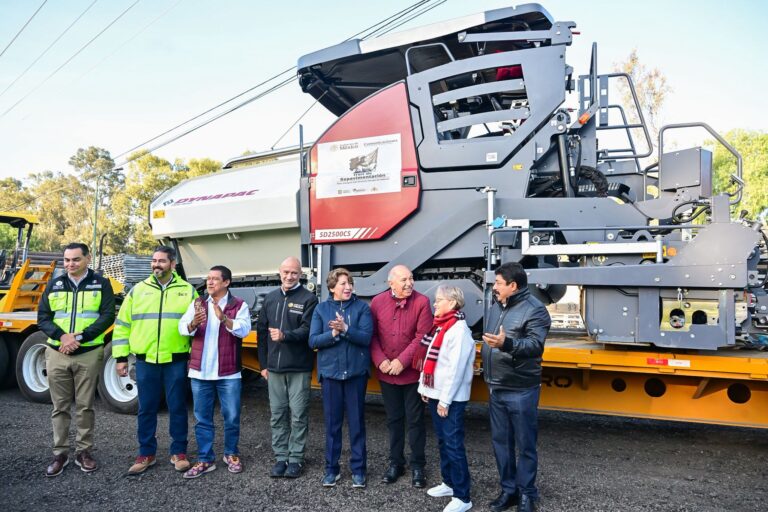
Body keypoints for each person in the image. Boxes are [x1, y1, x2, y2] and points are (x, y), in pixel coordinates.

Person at [113, 246, 197, 475]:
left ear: (172, 264)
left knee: (177, 407)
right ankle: (146, 453)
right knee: (146, 408)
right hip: (146, 360)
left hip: (176, 360)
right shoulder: (138, 291)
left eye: (161, 261)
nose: (156, 265)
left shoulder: (187, 291)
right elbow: (122, 326)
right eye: (154, 261)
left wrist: (194, 357)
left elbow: (198, 326)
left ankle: (179, 452)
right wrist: (120, 357)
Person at [37, 242, 115, 477]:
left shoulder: (101, 284)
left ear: (87, 259)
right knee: (59, 407)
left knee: (85, 406)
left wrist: (78, 338)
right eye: (67, 260)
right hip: (57, 352)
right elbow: (43, 317)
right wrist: (62, 337)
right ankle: (60, 453)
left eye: (76, 259)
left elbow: (107, 316)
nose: (70, 264)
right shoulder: (54, 284)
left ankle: (84, 452)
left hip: (88, 352)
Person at [481, 262, 551, 512]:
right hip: (496, 386)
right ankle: (508, 491)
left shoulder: (536, 310)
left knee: (525, 445)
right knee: (501, 443)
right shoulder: (496, 306)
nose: (494, 287)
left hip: (521, 389)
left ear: (513, 285)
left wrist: (506, 344)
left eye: (499, 283)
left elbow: (535, 346)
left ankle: (526, 494)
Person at [178, 265, 250, 478]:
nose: (209, 282)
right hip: (200, 372)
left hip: (228, 373)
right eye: (208, 278)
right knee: (202, 419)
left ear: (226, 282)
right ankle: (205, 459)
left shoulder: (238, 305)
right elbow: (182, 327)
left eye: (215, 279)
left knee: (232, 416)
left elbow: (244, 330)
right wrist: (194, 323)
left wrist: (224, 318)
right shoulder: (198, 303)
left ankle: (231, 454)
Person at [309, 268, 373, 489]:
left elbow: (366, 338)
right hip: (331, 375)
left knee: (357, 424)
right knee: (332, 425)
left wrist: (345, 328)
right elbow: (313, 341)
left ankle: (359, 470)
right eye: (343, 283)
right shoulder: (321, 309)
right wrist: (333, 334)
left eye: (350, 283)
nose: (348, 287)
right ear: (331, 287)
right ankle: (331, 470)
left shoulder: (362, 308)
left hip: (355, 374)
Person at [370, 264, 432, 487]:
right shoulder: (377, 302)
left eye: (411, 278)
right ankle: (396, 463)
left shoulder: (422, 302)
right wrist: (381, 360)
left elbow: (422, 336)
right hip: (387, 373)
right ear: (391, 283)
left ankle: (418, 466)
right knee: (393, 420)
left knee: (415, 421)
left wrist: (401, 361)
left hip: (411, 374)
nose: (409, 283)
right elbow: (372, 335)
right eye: (404, 280)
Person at [257, 257, 318, 479]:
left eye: (294, 273)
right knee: (277, 414)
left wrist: (286, 336)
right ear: (279, 272)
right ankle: (281, 457)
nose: (289, 276)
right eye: (286, 272)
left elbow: (308, 330)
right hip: (274, 369)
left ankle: (296, 459)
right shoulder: (271, 298)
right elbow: (262, 332)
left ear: (300, 274)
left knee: (299, 415)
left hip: (298, 368)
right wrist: (263, 365)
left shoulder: (309, 299)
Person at [417, 285, 475, 512]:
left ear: (452, 303)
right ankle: (449, 483)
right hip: (437, 394)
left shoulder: (459, 331)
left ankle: (463, 497)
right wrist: (426, 388)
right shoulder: (441, 326)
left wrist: (445, 401)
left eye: (439, 300)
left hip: (450, 399)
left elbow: (456, 370)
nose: (435, 304)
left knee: (453, 444)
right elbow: (432, 362)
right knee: (443, 441)